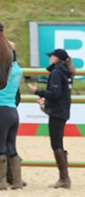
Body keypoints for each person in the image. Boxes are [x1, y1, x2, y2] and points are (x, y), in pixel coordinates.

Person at [28, 48, 76, 189]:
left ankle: (64, 177)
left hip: (57, 112)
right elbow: (59, 94)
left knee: (56, 145)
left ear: (56, 58)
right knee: (58, 143)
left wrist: (37, 92)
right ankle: (64, 176)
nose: (49, 58)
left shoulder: (56, 72)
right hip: (63, 110)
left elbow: (54, 93)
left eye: (51, 56)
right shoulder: (65, 72)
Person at [0, 41, 24, 191]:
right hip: (13, 110)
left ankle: (1, 181)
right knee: (12, 145)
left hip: (1, 109)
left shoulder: (5, 69)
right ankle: (17, 180)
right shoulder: (18, 69)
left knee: (0, 145)